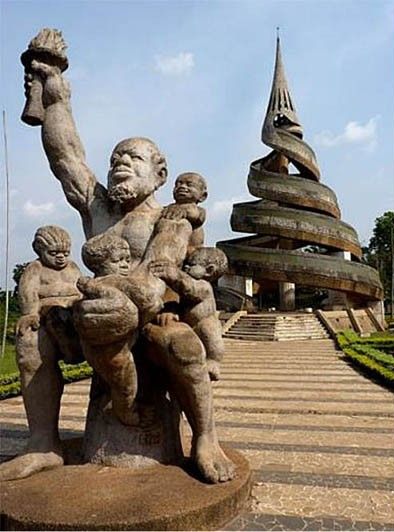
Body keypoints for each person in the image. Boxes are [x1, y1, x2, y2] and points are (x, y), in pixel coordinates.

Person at [0, 53, 234, 484]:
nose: (119, 164)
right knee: (33, 334)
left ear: (160, 174)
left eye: (132, 158)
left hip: (151, 320)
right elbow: (66, 155)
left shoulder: (172, 218)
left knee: (183, 346)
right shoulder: (99, 209)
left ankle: (206, 438)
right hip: (97, 317)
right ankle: (43, 444)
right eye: (114, 159)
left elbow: (154, 282)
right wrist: (54, 89)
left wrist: (111, 299)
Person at [10, 226, 82, 479]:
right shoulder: (35, 269)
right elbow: (28, 293)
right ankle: (43, 441)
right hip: (47, 316)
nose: (61, 258)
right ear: (39, 250)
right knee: (31, 345)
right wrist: (30, 313)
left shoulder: (72, 268)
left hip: (74, 315)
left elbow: (81, 288)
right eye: (54, 253)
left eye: (65, 253)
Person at [79, 233, 165, 426]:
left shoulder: (90, 285)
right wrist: (140, 322)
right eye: (118, 261)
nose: (125, 265)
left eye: (127, 259)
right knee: (125, 386)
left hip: (92, 347)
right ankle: (126, 412)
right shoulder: (121, 282)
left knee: (116, 382)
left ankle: (120, 408)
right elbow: (153, 303)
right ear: (98, 264)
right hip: (117, 350)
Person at [150, 247, 228, 382]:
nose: (186, 267)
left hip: (203, 322)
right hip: (189, 324)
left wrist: (175, 276)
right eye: (186, 264)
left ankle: (213, 361)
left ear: (209, 270)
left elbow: (190, 288)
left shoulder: (204, 286)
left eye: (192, 265)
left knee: (210, 331)